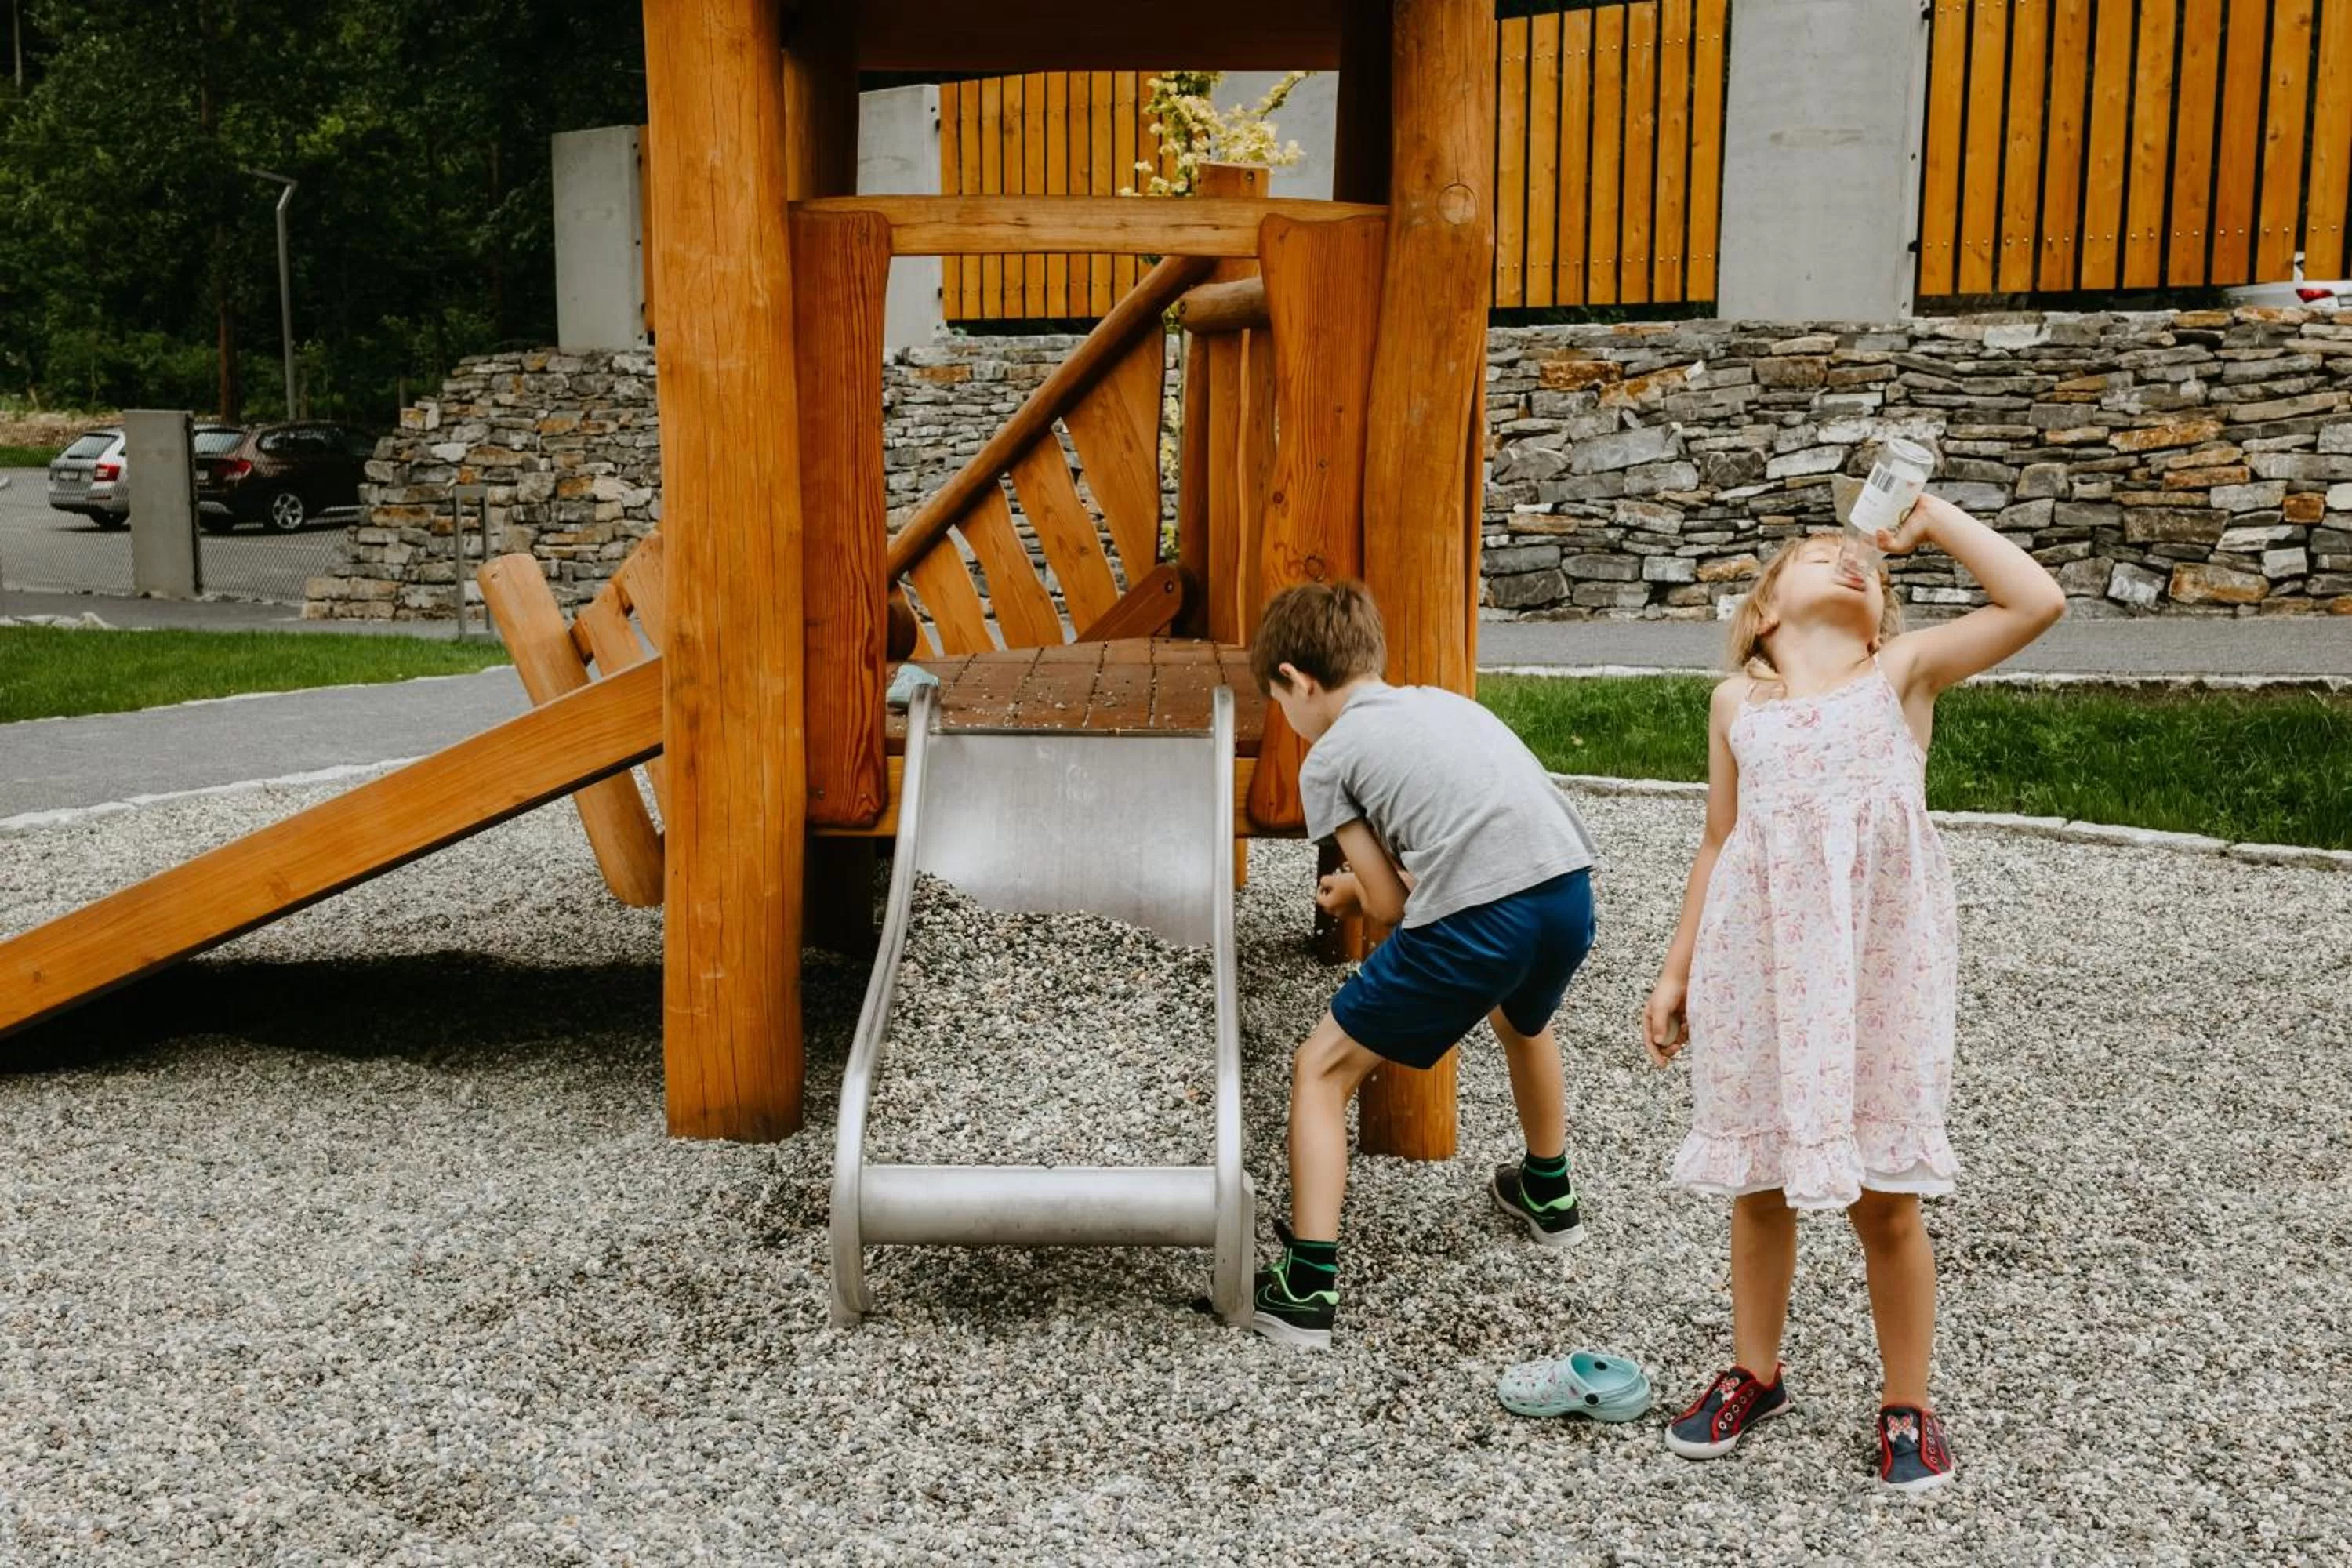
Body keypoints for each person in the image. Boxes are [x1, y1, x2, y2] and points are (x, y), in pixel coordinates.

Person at [1642, 493, 2065, 1492]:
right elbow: (1717, 839)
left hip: (1878, 973)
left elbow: (2036, 599)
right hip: (1762, 968)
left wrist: (1932, 518)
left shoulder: (1899, 677)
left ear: (1882, 617)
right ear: (1762, 615)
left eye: (1865, 567)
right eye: (1821, 556)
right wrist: (1677, 968)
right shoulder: (1736, 706)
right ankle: (1755, 1368)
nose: (1850, 563)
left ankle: (1907, 1400)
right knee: (1759, 1179)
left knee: (1886, 1197)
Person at [1244, 580, 1601, 1350]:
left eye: (1280, 703)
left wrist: (1350, 891)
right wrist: (1372, 887)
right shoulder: (1439, 703)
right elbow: (1469, 837)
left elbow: (1391, 904)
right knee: (1523, 1018)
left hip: (1486, 916)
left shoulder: (1329, 756)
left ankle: (1305, 1284)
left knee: (1319, 1069)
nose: (1289, 720)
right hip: (1566, 891)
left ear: (1297, 682)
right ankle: (1549, 1190)